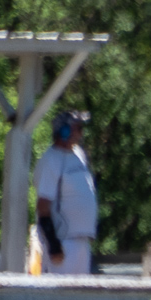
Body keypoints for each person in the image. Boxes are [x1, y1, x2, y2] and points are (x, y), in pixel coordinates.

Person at [34, 111, 98, 275]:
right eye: (77, 128)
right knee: (60, 296)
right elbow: (43, 206)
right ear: (64, 131)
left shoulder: (79, 155)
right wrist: (54, 245)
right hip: (63, 243)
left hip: (82, 240)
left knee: (80, 296)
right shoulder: (51, 160)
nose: (81, 133)